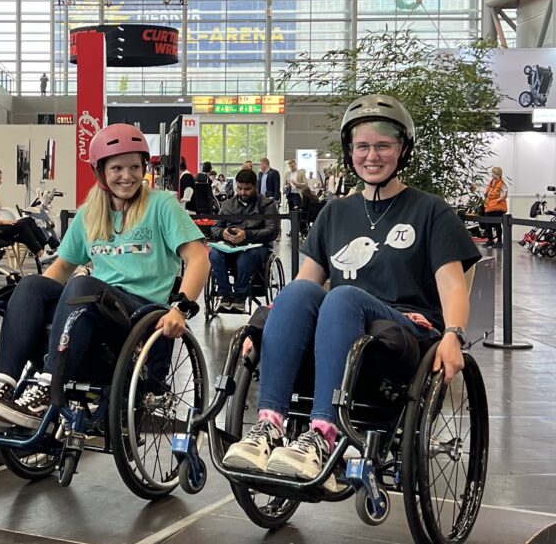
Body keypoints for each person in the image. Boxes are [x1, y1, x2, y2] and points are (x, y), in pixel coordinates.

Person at [223, 94, 480, 483]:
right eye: (362, 146)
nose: (371, 156)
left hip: (404, 333)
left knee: (342, 296)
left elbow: (452, 284)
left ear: (403, 150)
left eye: (383, 146)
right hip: (342, 328)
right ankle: (270, 425)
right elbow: (305, 284)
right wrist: (265, 331)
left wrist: (454, 336)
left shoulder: (431, 211)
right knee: (297, 293)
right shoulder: (336, 212)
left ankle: (323, 435)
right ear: (350, 151)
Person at [0, 123, 210, 429]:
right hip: (92, 308)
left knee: (84, 285)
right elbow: (61, 268)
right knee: (29, 285)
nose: (128, 176)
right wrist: (30, 301)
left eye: (135, 167)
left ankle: (46, 389)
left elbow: (198, 258)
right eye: (118, 168)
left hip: (138, 313)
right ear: (101, 171)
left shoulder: (162, 206)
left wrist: (181, 307)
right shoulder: (90, 213)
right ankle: (0, 390)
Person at [207, 168, 280, 313]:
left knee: (245, 258)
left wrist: (246, 235)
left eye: (247, 189)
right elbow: (215, 229)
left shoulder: (267, 205)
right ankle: (225, 294)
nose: (242, 193)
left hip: (257, 248)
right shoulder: (227, 205)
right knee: (214, 253)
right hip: (230, 246)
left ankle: (240, 296)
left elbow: (272, 231)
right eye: (239, 188)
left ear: (256, 187)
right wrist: (223, 233)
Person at [0, 167, 54, 261]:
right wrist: (3, 222)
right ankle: (42, 254)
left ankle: (48, 246)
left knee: (29, 220)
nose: (1, 182)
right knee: (22, 225)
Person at [482, 166, 508, 248]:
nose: (493, 175)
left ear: (498, 174)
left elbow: (505, 193)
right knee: (487, 224)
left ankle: (499, 241)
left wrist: (498, 200)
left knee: (497, 224)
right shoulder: (490, 183)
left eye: (495, 173)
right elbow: (486, 193)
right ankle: (490, 240)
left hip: (498, 207)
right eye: (492, 173)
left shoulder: (501, 183)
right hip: (489, 206)